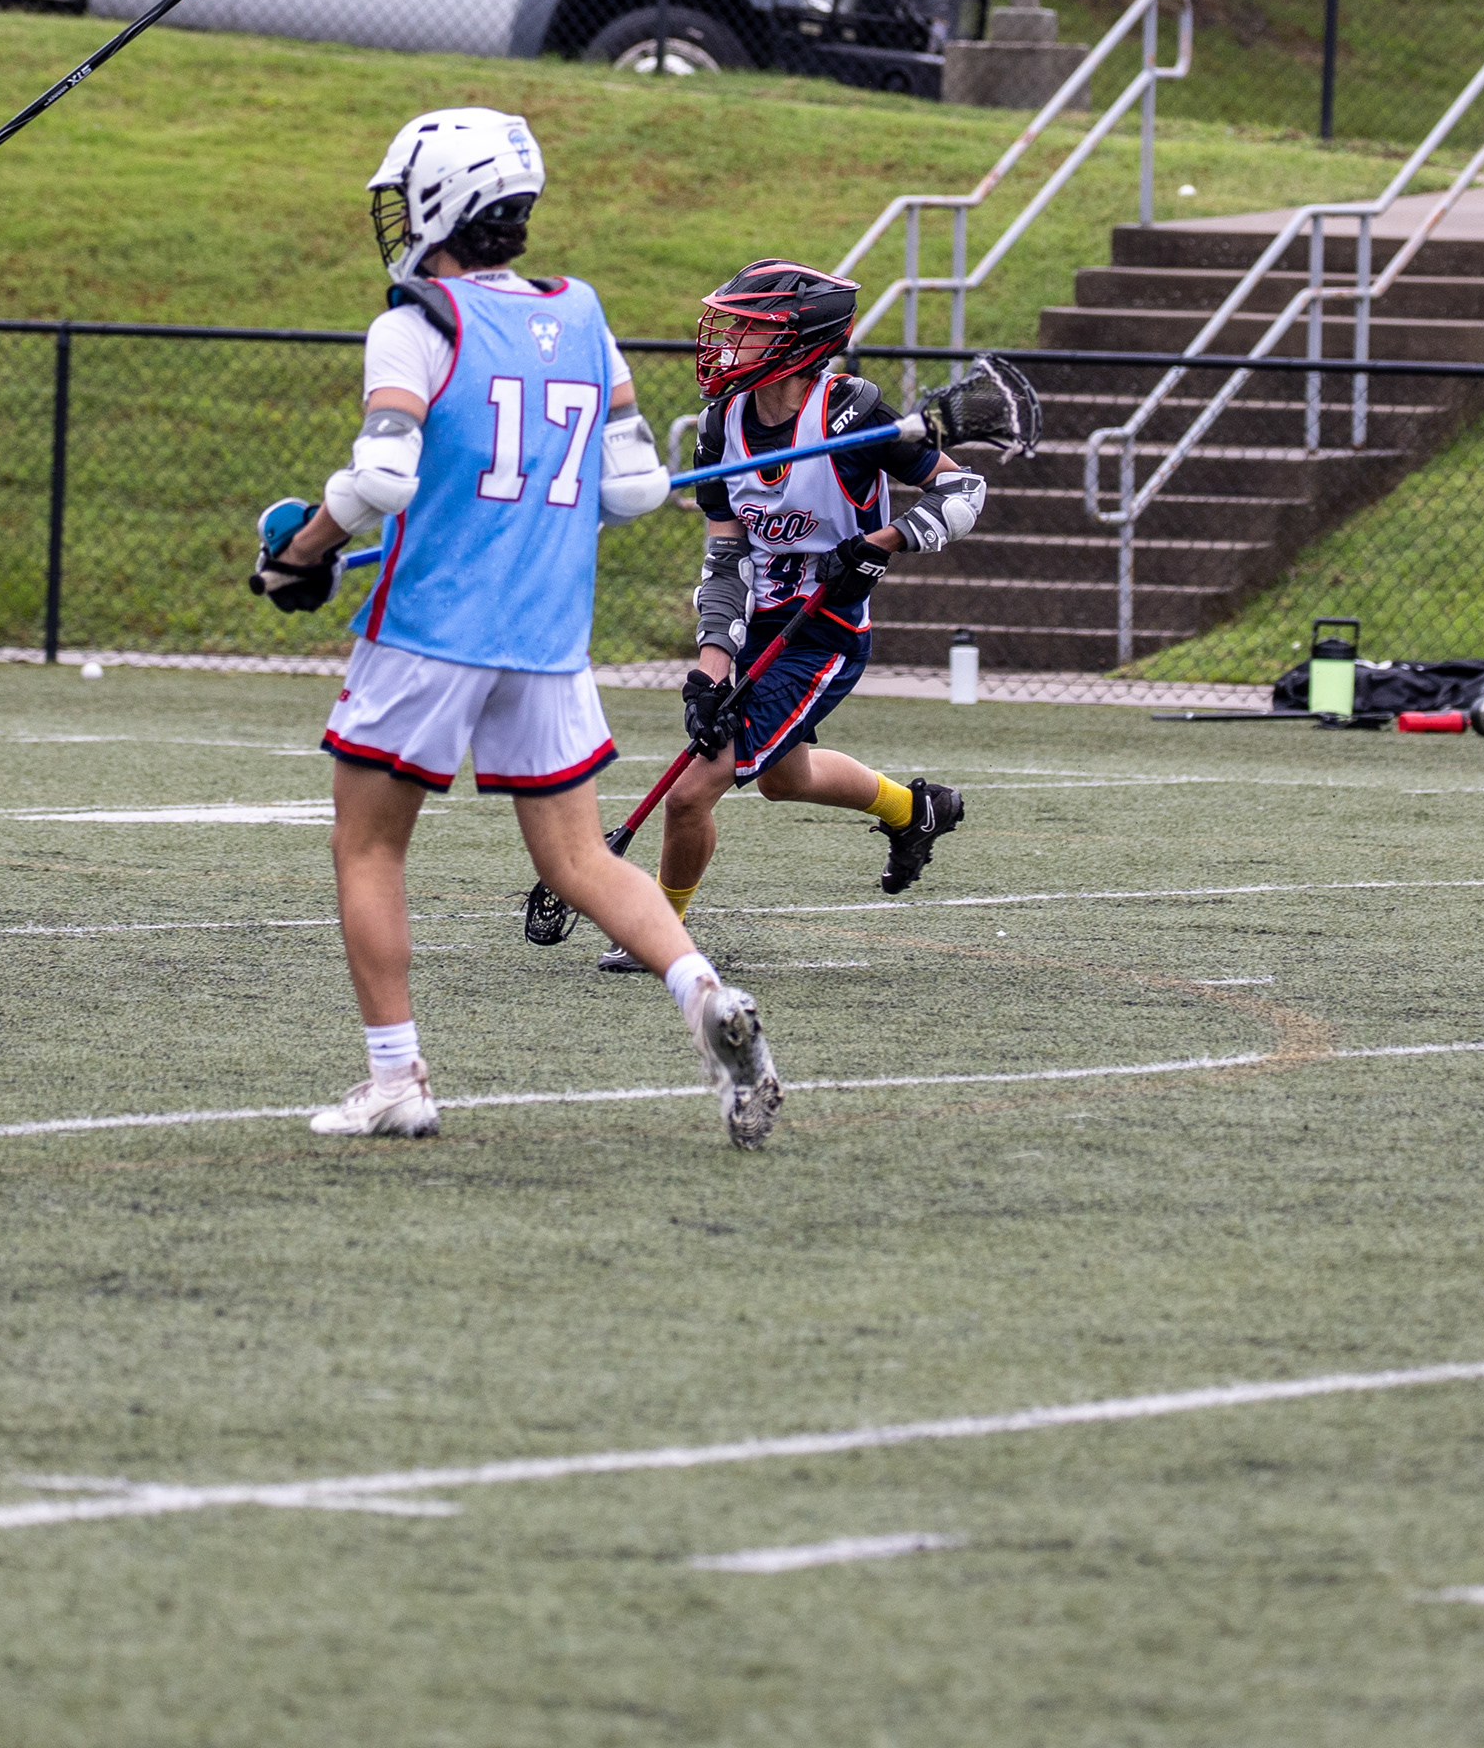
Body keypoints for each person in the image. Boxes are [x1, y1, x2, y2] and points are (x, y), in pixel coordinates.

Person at [250, 106, 780, 1145]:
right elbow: (632, 489)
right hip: (546, 636)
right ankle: (702, 990)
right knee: (579, 860)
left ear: (443, 202)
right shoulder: (582, 313)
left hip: (429, 632)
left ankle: (396, 1079)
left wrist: (302, 551)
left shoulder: (417, 322)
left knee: (368, 849)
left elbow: (383, 476)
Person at [610, 258, 980, 972]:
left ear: (797, 341)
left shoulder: (852, 417)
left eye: (746, 331)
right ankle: (916, 811)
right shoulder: (720, 427)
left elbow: (964, 490)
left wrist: (879, 543)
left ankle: (657, 933)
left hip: (823, 633)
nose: (726, 344)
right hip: (759, 631)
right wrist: (711, 671)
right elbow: (726, 563)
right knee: (784, 777)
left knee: (688, 795)